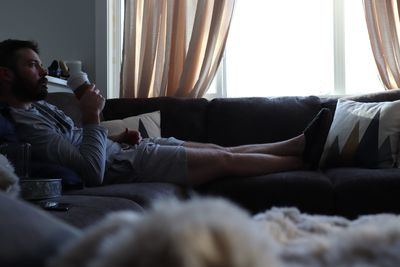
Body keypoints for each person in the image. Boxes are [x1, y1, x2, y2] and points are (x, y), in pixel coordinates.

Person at [0, 39, 331, 187]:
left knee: (219, 149)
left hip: (127, 150)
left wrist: (115, 134)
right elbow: (90, 172)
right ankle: (306, 162)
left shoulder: (40, 106)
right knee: (223, 161)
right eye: (31, 65)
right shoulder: (24, 125)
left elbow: (78, 143)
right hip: (125, 166)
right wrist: (92, 117)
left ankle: (298, 143)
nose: (43, 72)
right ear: (5, 74)